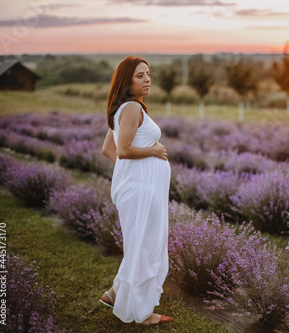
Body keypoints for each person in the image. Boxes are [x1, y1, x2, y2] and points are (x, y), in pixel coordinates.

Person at [100, 56, 174, 325]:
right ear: (127, 81)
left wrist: (130, 173)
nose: (147, 79)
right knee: (145, 247)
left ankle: (114, 293)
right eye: (140, 76)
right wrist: (153, 152)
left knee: (139, 245)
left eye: (148, 74)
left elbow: (109, 150)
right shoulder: (131, 108)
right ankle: (141, 314)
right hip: (141, 192)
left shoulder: (125, 108)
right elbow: (124, 150)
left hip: (138, 188)